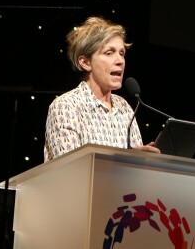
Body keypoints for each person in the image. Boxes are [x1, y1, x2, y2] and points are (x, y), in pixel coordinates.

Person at [44, 16, 160, 161]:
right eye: (109, 53)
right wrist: (126, 158)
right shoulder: (66, 106)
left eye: (121, 53)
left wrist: (140, 159)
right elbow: (70, 167)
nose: (119, 61)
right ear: (85, 62)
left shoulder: (124, 108)